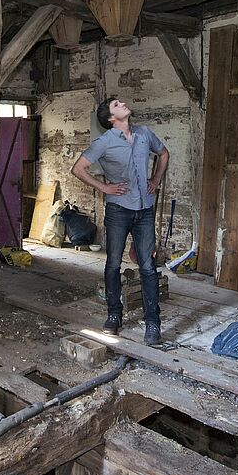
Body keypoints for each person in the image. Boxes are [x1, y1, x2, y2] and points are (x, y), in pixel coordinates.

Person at [71, 97, 170, 345]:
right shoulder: (103, 143)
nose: (122, 103)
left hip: (144, 209)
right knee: (113, 263)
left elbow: (164, 153)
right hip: (118, 210)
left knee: (147, 266)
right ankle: (114, 315)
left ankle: (153, 324)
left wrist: (156, 180)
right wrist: (104, 187)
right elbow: (78, 169)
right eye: (117, 104)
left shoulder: (144, 133)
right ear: (110, 118)